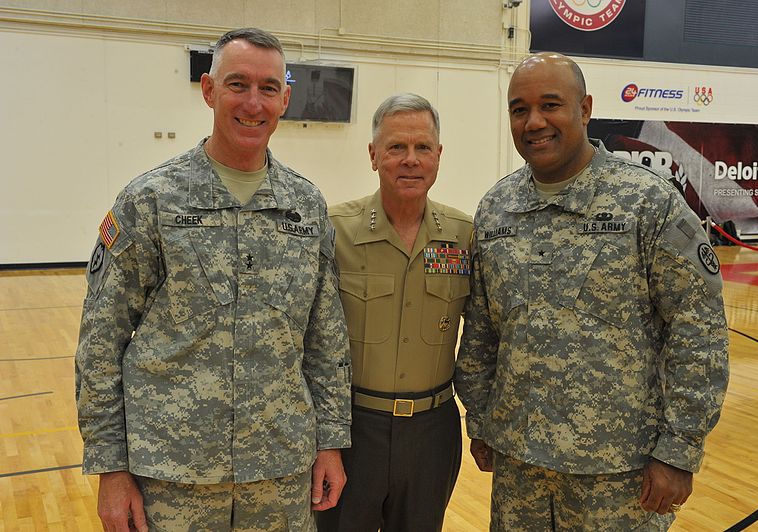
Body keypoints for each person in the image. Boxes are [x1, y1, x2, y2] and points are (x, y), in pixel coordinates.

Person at [75, 27, 351, 531]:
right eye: (237, 84)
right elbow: (101, 342)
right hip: (172, 474)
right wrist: (111, 469)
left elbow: (325, 340)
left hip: (279, 470)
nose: (253, 102)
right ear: (208, 90)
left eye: (268, 88)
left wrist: (331, 442)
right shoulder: (152, 200)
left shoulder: (306, 206)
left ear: (285, 99)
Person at [454, 52, 729, 531]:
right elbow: (481, 330)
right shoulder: (497, 208)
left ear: (585, 109)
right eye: (519, 109)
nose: (534, 122)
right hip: (521, 469)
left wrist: (679, 450)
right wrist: (481, 420)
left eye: (551, 105)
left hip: (621, 474)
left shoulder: (648, 203)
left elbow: (698, 333)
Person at [315, 93, 472, 532]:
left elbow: (483, 337)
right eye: (396, 148)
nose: (410, 160)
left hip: (432, 433)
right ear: (373, 155)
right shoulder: (334, 230)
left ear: (439, 156)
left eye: (423, 148)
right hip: (352, 431)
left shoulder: (464, 236)